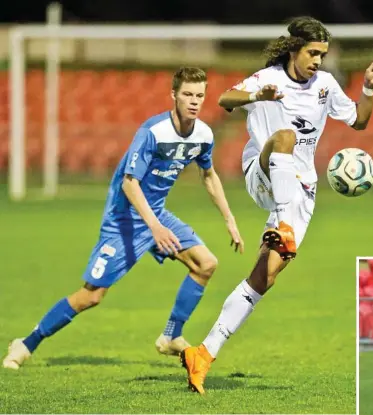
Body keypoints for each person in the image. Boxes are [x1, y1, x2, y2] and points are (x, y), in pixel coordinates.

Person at [180, 16, 373, 394]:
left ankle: (204, 353)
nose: (318, 61)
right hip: (262, 172)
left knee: (266, 275)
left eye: (322, 54)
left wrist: (370, 89)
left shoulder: (325, 84)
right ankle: (282, 223)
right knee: (284, 137)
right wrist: (257, 97)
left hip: (301, 189)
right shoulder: (267, 78)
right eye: (312, 53)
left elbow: (358, 121)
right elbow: (224, 99)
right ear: (294, 48)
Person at [2, 67, 244, 370]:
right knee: (91, 296)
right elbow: (130, 183)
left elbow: (208, 174)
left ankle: (170, 336)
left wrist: (229, 219)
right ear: (173, 95)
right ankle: (25, 344)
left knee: (205, 264)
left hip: (157, 216)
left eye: (199, 95)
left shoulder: (204, 135)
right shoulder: (153, 132)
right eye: (187, 95)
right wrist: (155, 228)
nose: (194, 102)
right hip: (125, 221)